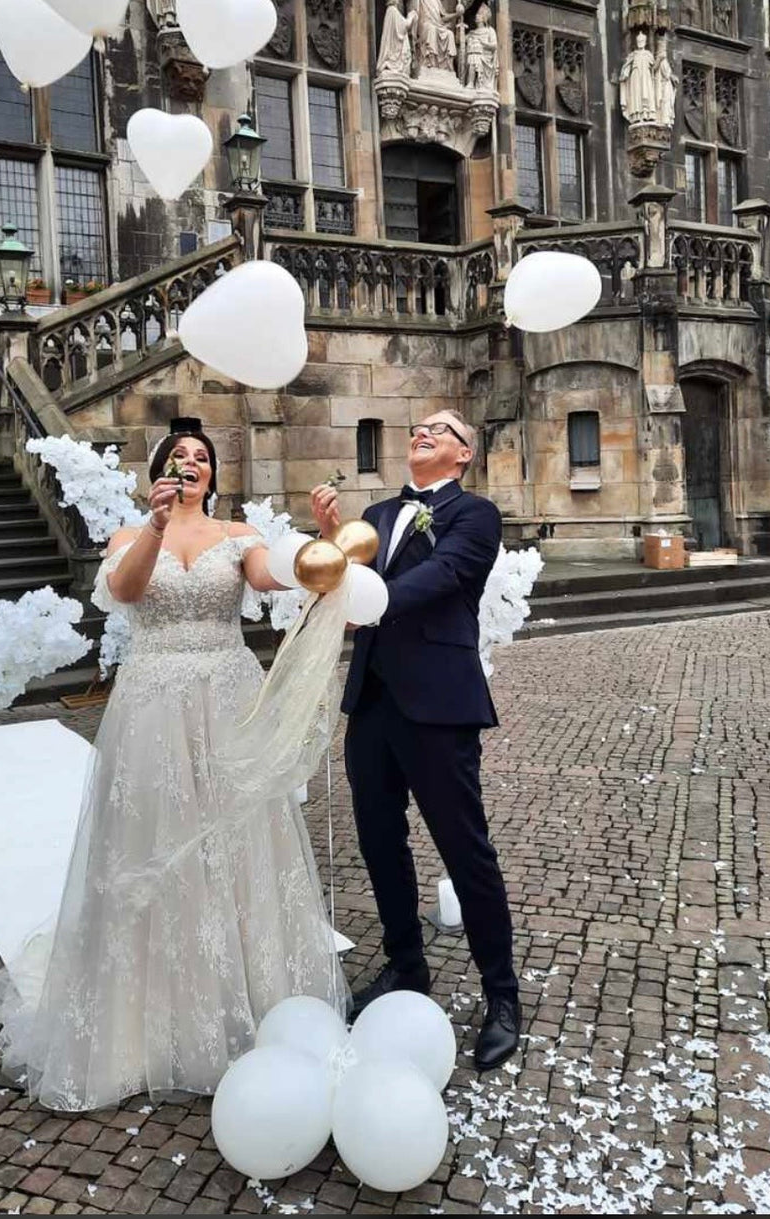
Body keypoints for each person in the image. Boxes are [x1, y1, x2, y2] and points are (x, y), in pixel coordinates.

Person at [0, 425, 345, 1109]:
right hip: (151, 704)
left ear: (214, 474)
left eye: (202, 457)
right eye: (179, 456)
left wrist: (324, 536)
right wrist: (153, 524)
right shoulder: (129, 535)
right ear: (157, 471)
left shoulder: (239, 534)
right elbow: (124, 590)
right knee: (152, 835)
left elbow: (278, 574)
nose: (191, 463)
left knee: (233, 839)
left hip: (226, 695)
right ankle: (142, 1022)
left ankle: (247, 996)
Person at [310, 410, 521, 1071]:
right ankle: (406, 965)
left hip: (438, 702)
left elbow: (444, 577)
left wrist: (371, 598)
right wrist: (326, 539)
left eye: (443, 427)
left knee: (465, 846)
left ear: (463, 454)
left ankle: (502, 995)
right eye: (419, 425)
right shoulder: (375, 511)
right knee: (379, 839)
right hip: (371, 698)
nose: (423, 430)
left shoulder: (475, 514)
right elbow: (344, 574)